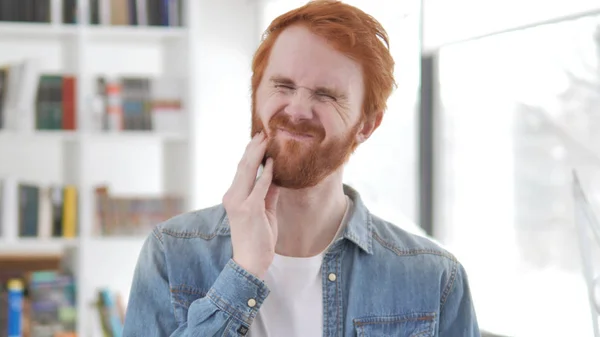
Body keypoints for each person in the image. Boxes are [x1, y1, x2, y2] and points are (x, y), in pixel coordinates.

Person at [122, 1, 480, 336]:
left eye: (326, 95)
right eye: (283, 85)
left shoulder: (435, 280)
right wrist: (243, 272)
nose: (297, 110)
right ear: (255, 95)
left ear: (367, 125)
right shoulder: (171, 253)